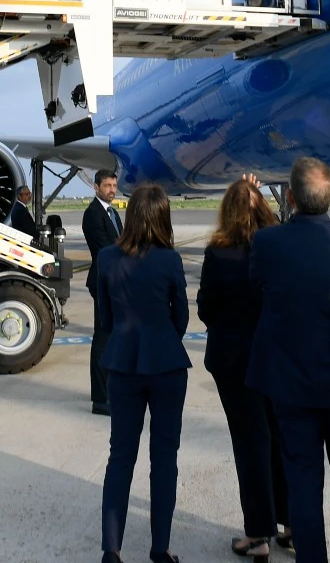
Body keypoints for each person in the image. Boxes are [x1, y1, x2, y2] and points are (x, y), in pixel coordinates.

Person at [247, 157, 330, 563]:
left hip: (293, 387)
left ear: (290, 197)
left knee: (303, 484)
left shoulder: (267, 244)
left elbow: (257, 286)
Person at [96, 183, 190, 563]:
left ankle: (111, 549)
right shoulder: (170, 260)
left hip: (122, 362)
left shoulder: (106, 257)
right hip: (166, 363)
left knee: (120, 455)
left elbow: (104, 317)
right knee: (164, 457)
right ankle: (160, 547)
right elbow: (181, 317)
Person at [198, 177, 290, 558]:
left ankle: (258, 535)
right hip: (277, 359)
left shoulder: (218, 254)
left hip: (234, 360)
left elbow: (205, 308)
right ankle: (293, 525)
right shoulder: (279, 249)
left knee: (249, 443)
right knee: (282, 441)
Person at [83, 169, 124, 415]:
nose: (111, 189)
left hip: (114, 281)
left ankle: (106, 389)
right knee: (103, 336)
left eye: (114, 185)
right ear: (96, 187)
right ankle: (100, 399)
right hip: (102, 280)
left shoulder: (113, 212)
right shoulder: (93, 214)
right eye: (107, 185)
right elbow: (105, 249)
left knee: (110, 335)